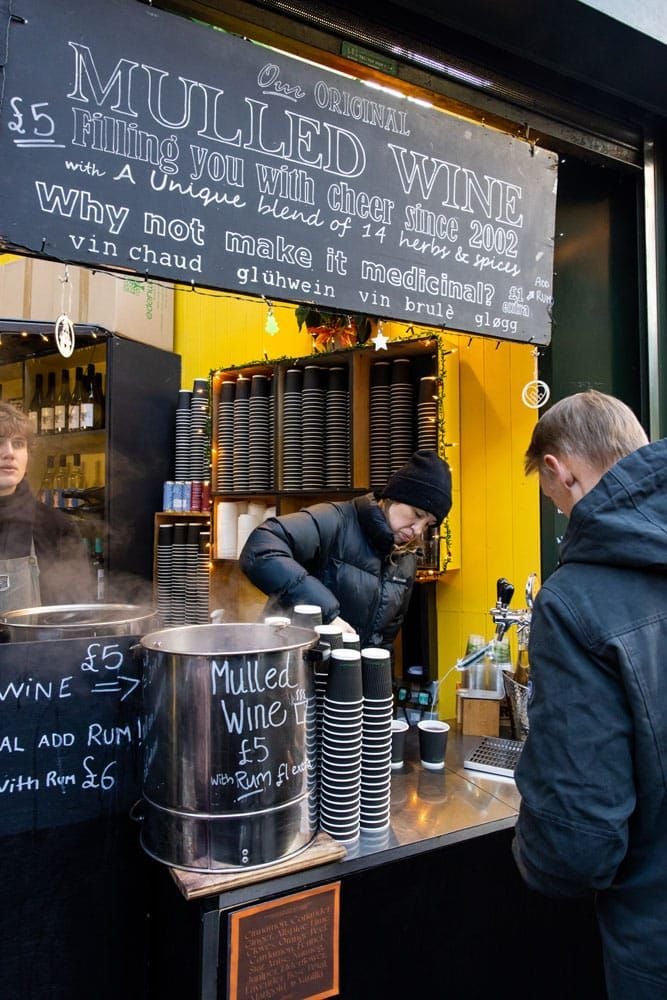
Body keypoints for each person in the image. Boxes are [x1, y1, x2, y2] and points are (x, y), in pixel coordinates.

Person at [513, 389, 667, 998]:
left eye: (554, 503)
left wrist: (530, 851)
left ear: (560, 470)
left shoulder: (576, 602)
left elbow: (575, 848)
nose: (561, 516)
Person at [240, 449, 452, 648]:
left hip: (346, 680)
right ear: (393, 497)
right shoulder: (335, 520)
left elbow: (383, 641)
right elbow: (261, 547)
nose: (417, 530)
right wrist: (326, 613)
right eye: (416, 514)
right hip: (288, 669)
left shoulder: (406, 557)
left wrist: (379, 684)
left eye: (428, 524)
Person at [0, 401, 93, 611]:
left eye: (18, 443)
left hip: (34, 645)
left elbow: (76, 613)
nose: (9, 453)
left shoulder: (55, 526)